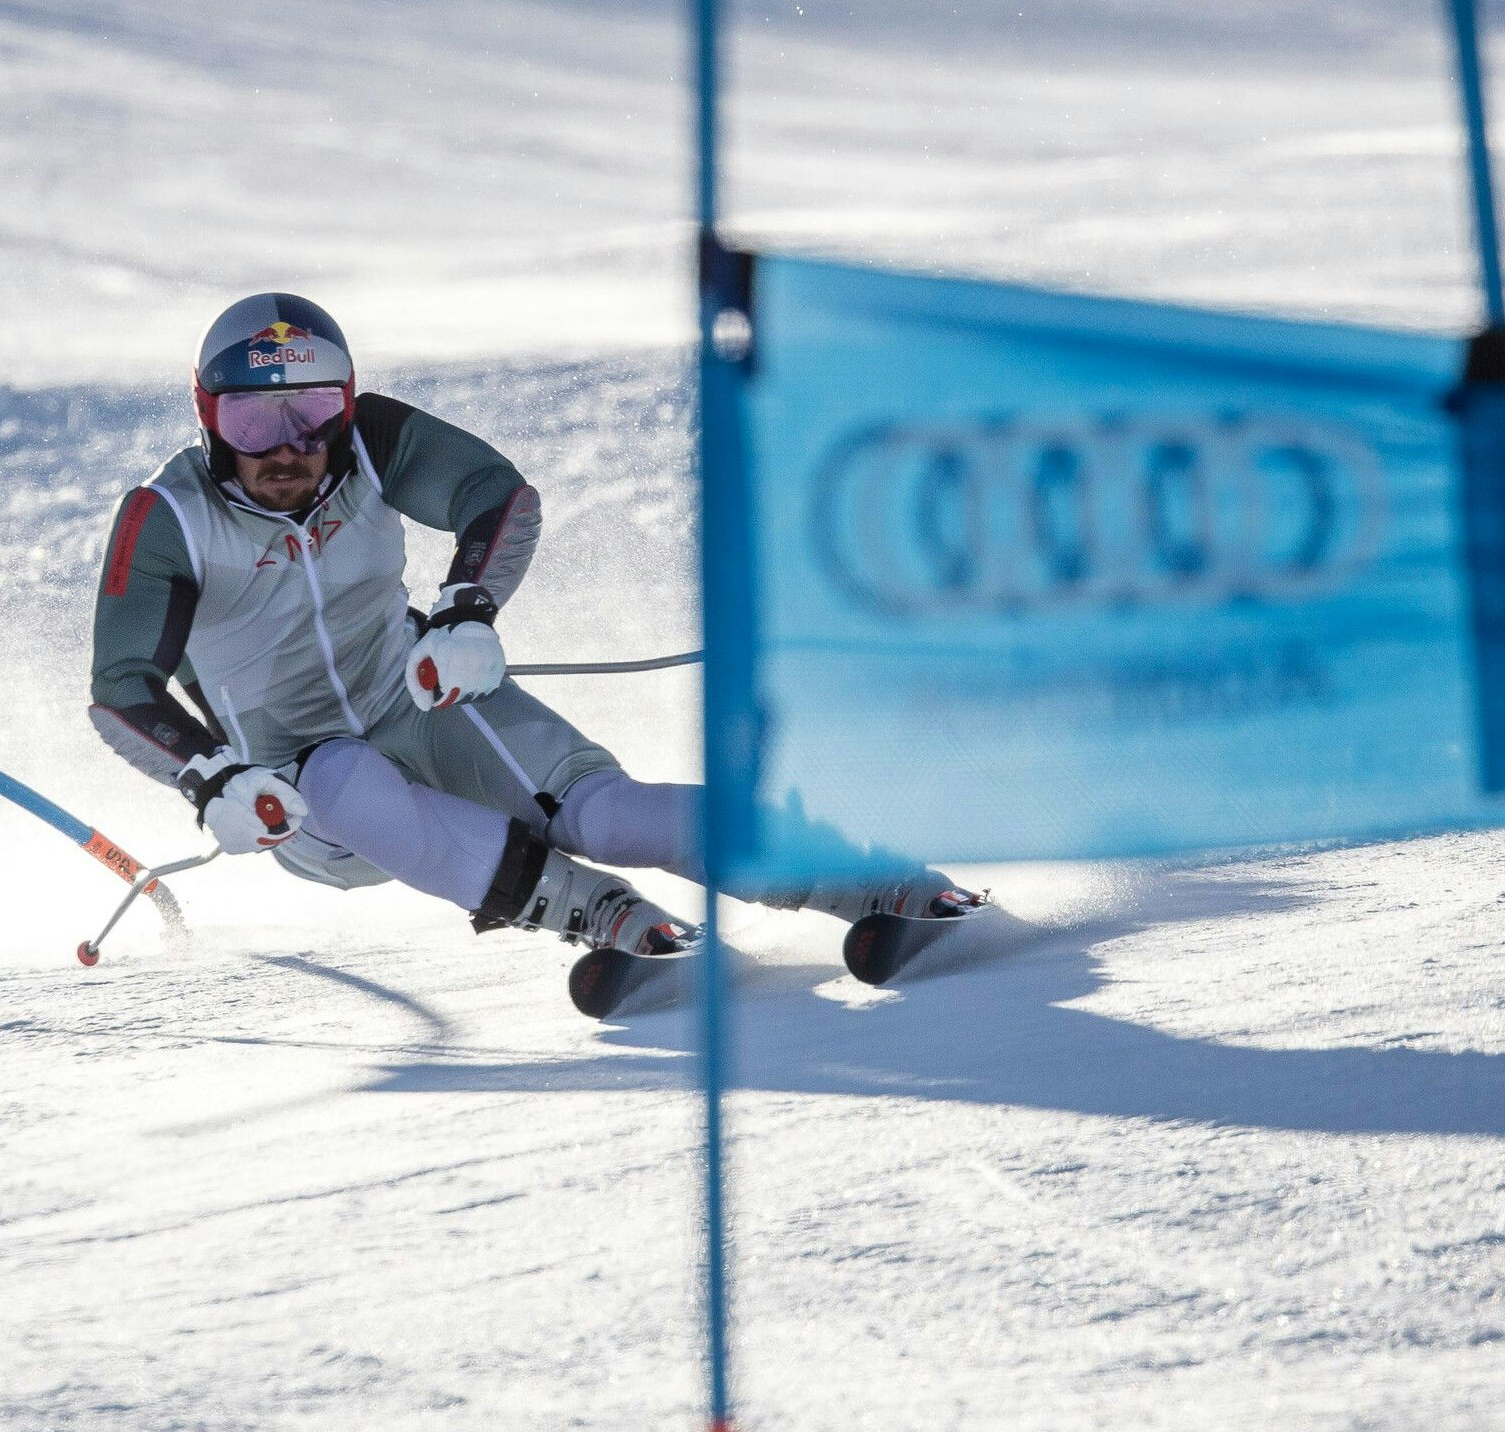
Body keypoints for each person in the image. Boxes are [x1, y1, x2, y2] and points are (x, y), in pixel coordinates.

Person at [88, 293, 975, 1000]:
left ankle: (870, 878)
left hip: (418, 702)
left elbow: (494, 493)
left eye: (313, 411)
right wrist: (212, 778)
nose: (288, 448)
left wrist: (466, 610)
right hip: (301, 794)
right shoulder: (169, 519)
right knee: (341, 775)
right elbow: (122, 685)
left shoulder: (367, 442)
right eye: (251, 423)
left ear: (345, 405)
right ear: (210, 422)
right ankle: (596, 913)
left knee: (608, 814)